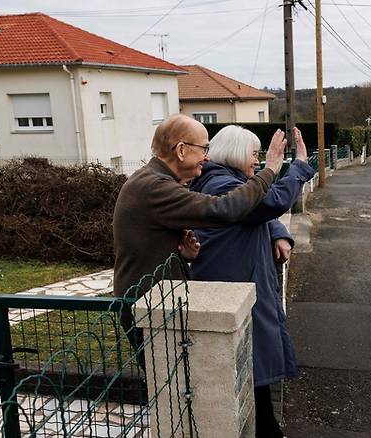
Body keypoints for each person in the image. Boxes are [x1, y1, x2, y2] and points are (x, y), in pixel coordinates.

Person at [112, 115, 286, 366]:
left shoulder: (155, 181)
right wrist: (269, 171)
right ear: (181, 150)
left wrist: (182, 254)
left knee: (175, 389)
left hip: (155, 304)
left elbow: (147, 240)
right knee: (170, 390)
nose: (207, 156)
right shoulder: (155, 187)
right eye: (204, 148)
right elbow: (224, 209)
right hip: (147, 307)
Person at [190, 125, 314, 438]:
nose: (257, 161)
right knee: (250, 370)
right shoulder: (219, 184)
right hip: (233, 292)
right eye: (253, 154)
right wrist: (295, 164)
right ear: (234, 153)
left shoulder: (227, 181)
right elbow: (270, 202)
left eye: (260, 155)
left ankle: (268, 428)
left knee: (254, 373)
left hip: (242, 287)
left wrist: (278, 234)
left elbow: (259, 210)